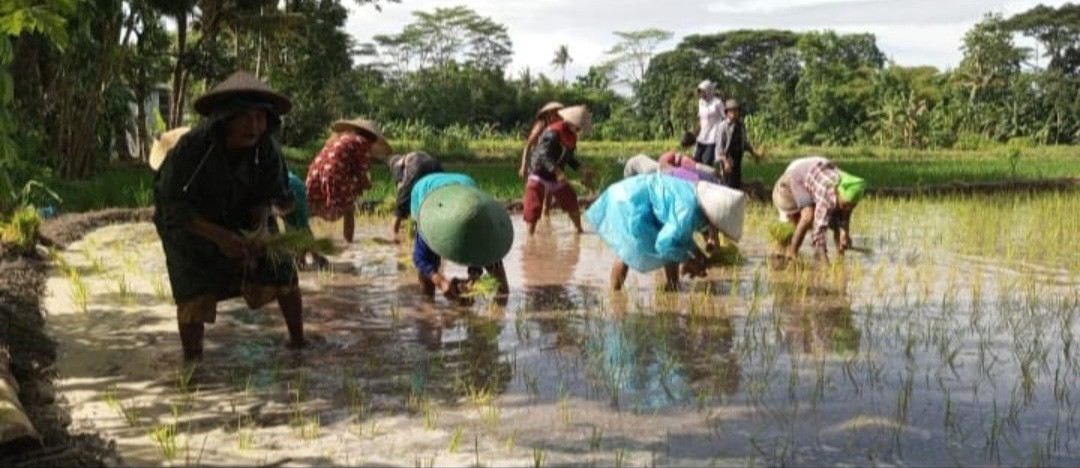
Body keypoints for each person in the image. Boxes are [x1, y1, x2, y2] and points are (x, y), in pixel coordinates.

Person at [153, 70, 304, 363]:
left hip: (240, 215)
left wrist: (257, 232)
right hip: (189, 225)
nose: (255, 126)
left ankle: (299, 343)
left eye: (260, 117)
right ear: (226, 118)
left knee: (282, 267)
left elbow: (266, 196)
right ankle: (193, 366)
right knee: (192, 290)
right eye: (245, 117)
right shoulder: (193, 149)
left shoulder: (266, 149)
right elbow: (175, 208)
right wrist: (220, 237)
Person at [585, 172, 746, 292]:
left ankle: (672, 287)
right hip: (629, 204)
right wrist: (687, 260)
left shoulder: (695, 203)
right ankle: (615, 296)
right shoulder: (688, 212)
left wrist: (697, 254)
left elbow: (680, 236)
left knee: (673, 247)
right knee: (628, 251)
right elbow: (663, 244)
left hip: (637, 198)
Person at [394, 159, 512, 302]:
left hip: (466, 191)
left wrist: (473, 277)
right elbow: (420, 258)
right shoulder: (433, 219)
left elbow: (482, 250)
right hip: (425, 191)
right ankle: (428, 302)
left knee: (502, 288)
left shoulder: (482, 221)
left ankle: (500, 305)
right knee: (429, 262)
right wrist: (441, 281)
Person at [306, 118, 390, 243]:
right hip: (334, 174)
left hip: (314, 174)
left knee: (313, 207)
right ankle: (348, 243)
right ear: (371, 138)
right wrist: (367, 185)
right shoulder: (362, 143)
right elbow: (361, 175)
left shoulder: (338, 139)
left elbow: (347, 165)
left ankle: (300, 231)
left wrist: (357, 186)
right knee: (349, 210)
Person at [772, 156, 866, 262]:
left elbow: (843, 217)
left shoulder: (849, 196)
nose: (848, 207)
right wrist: (825, 263)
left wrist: (845, 233)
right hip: (798, 177)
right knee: (808, 215)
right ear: (838, 193)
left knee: (835, 222)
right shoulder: (826, 193)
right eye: (845, 204)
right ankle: (792, 253)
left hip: (817, 170)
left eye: (851, 206)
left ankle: (840, 259)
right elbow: (819, 231)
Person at [524, 105, 595, 235]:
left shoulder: (571, 136)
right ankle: (530, 238)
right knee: (533, 208)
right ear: (571, 122)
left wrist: (581, 168)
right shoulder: (552, 132)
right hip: (539, 172)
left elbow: (568, 158)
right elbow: (543, 155)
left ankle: (579, 231)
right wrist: (558, 172)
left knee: (571, 200)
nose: (579, 130)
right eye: (578, 126)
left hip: (555, 176)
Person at [520, 102, 564, 219]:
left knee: (549, 194)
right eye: (555, 113)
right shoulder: (541, 126)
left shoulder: (559, 128)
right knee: (535, 193)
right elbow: (528, 145)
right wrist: (524, 165)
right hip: (539, 163)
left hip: (550, 164)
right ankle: (535, 218)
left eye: (559, 113)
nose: (558, 115)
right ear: (548, 115)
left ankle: (545, 217)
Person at [389, 151, 444, 244]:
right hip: (437, 166)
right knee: (433, 200)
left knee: (401, 204)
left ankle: (395, 233)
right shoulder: (414, 155)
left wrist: (401, 205)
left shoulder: (396, 164)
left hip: (418, 167)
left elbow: (400, 188)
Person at [714, 99, 758, 189]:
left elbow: (744, 142)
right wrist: (725, 162)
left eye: (736, 110)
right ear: (727, 113)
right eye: (731, 111)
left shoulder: (741, 125)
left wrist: (753, 153)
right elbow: (720, 147)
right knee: (728, 181)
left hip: (738, 155)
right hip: (727, 156)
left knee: (736, 179)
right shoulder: (722, 127)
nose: (734, 113)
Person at [692, 80, 725, 166]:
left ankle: (709, 178)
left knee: (707, 161)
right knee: (696, 160)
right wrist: (694, 133)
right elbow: (700, 118)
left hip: (713, 136)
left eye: (703, 92)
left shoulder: (717, 103)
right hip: (702, 136)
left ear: (709, 91)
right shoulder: (701, 102)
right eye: (700, 93)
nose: (701, 95)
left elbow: (725, 117)